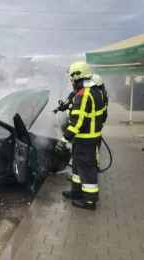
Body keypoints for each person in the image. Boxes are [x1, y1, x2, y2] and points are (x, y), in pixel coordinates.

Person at [55, 61, 107, 210]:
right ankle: (77, 192)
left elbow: (77, 122)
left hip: (85, 140)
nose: (70, 79)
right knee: (77, 168)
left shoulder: (84, 94)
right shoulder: (95, 91)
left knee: (87, 170)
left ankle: (90, 201)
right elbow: (101, 115)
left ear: (78, 75)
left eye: (71, 76)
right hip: (87, 138)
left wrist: (64, 139)